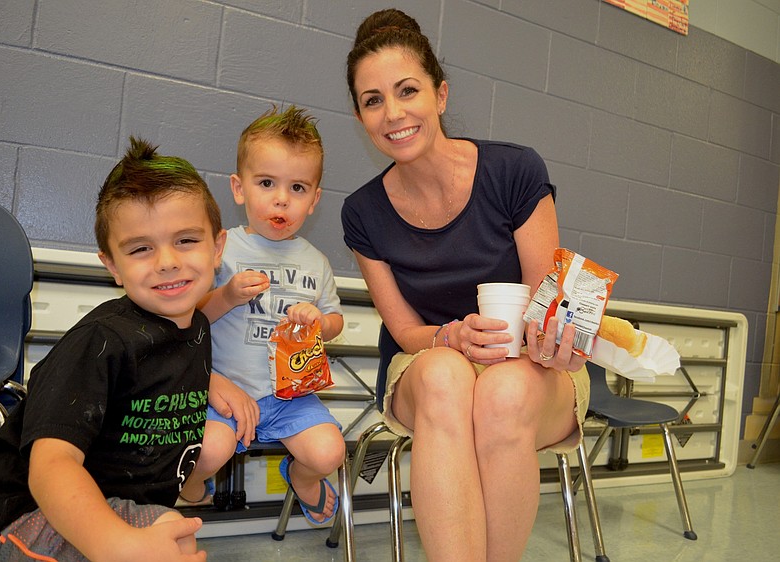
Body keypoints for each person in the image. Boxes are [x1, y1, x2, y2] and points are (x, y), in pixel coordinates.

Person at [341, 9, 591, 562]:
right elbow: (405, 330)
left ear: (442, 95)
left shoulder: (514, 172)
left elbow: (548, 301)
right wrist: (449, 339)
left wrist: (559, 336)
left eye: (408, 90)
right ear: (360, 118)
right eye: (373, 100)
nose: (394, 113)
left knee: (500, 395)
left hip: (530, 364)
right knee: (445, 380)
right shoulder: (362, 213)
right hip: (425, 360)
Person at [0, 137, 227, 562]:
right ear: (112, 265)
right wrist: (117, 545)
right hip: (27, 520)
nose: (166, 261)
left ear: (217, 247)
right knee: (166, 534)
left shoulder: (195, 327)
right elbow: (51, 465)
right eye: (141, 248)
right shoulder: (101, 340)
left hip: (118, 507)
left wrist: (219, 383)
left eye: (186, 240)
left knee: (174, 535)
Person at [178, 105, 346, 526]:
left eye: (298, 188)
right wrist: (227, 296)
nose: (281, 198)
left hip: (292, 397)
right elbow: (187, 318)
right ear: (239, 188)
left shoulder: (316, 261)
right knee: (208, 450)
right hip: (226, 394)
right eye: (266, 182)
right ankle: (193, 485)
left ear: (314, 200)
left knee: (331, 452)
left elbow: (335, 321)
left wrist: (320, 324)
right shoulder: (221, 249)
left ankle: (301, 477)